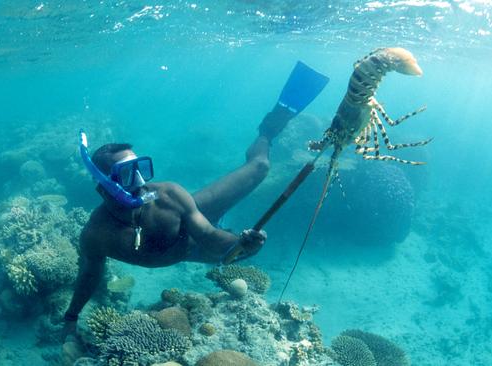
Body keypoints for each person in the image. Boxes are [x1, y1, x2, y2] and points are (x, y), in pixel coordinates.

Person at [63, 62, 329, 337]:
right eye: (129, 174)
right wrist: (71, 317)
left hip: (195, 225)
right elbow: (89, 275)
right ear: (104, 186)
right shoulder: (96, 234)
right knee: (226, 256)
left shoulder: (169, 196)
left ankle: (270, 127)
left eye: (142, 168)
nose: (142, 182)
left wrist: (243, 243)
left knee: (260, 167)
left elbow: (209, 237)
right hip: (188, 244)